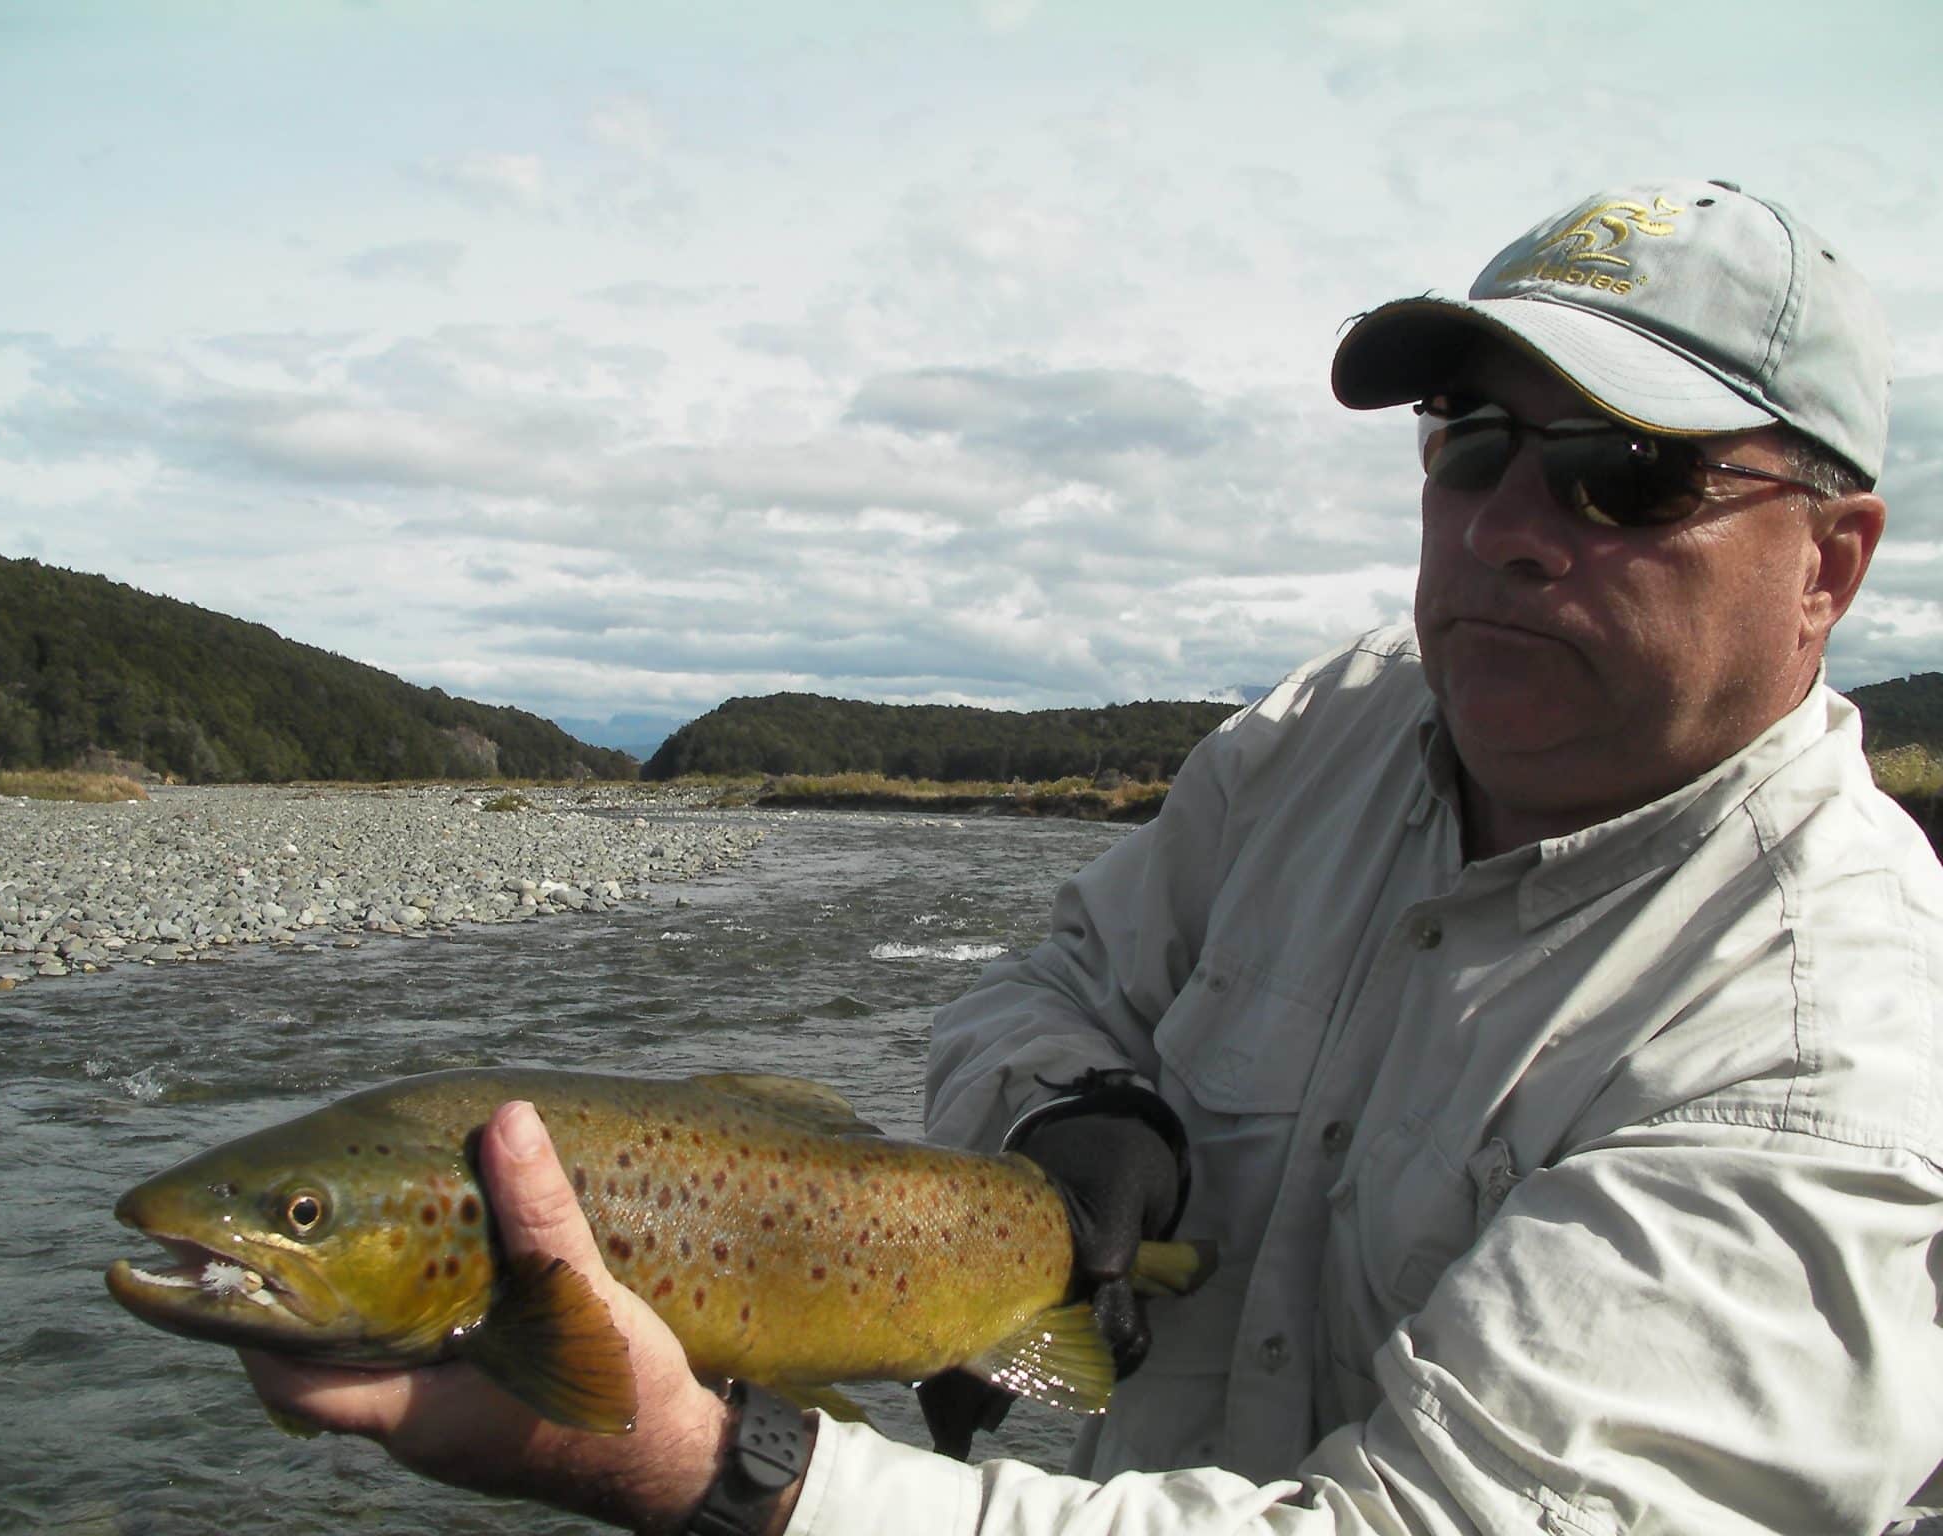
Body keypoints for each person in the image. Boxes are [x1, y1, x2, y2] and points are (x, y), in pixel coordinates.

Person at [245, 179, 1943, 1534]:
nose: (1505, 531)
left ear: (1831, 566)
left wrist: (721, 1469)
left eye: (1622, 478)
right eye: (1472, 447)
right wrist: (1071, 1114)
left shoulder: (1828, 1049)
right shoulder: (1332, 732)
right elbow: (1042, 981)